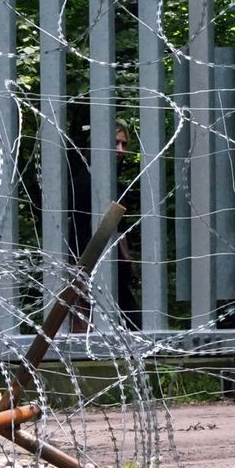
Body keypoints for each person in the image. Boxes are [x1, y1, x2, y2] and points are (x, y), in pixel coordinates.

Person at [68, 117, 142, 332]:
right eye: (115, 143)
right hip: (89, 270)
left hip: (109, 270)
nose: (120, 150)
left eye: (124, 144)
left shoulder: (110, 185)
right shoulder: (86, 182)